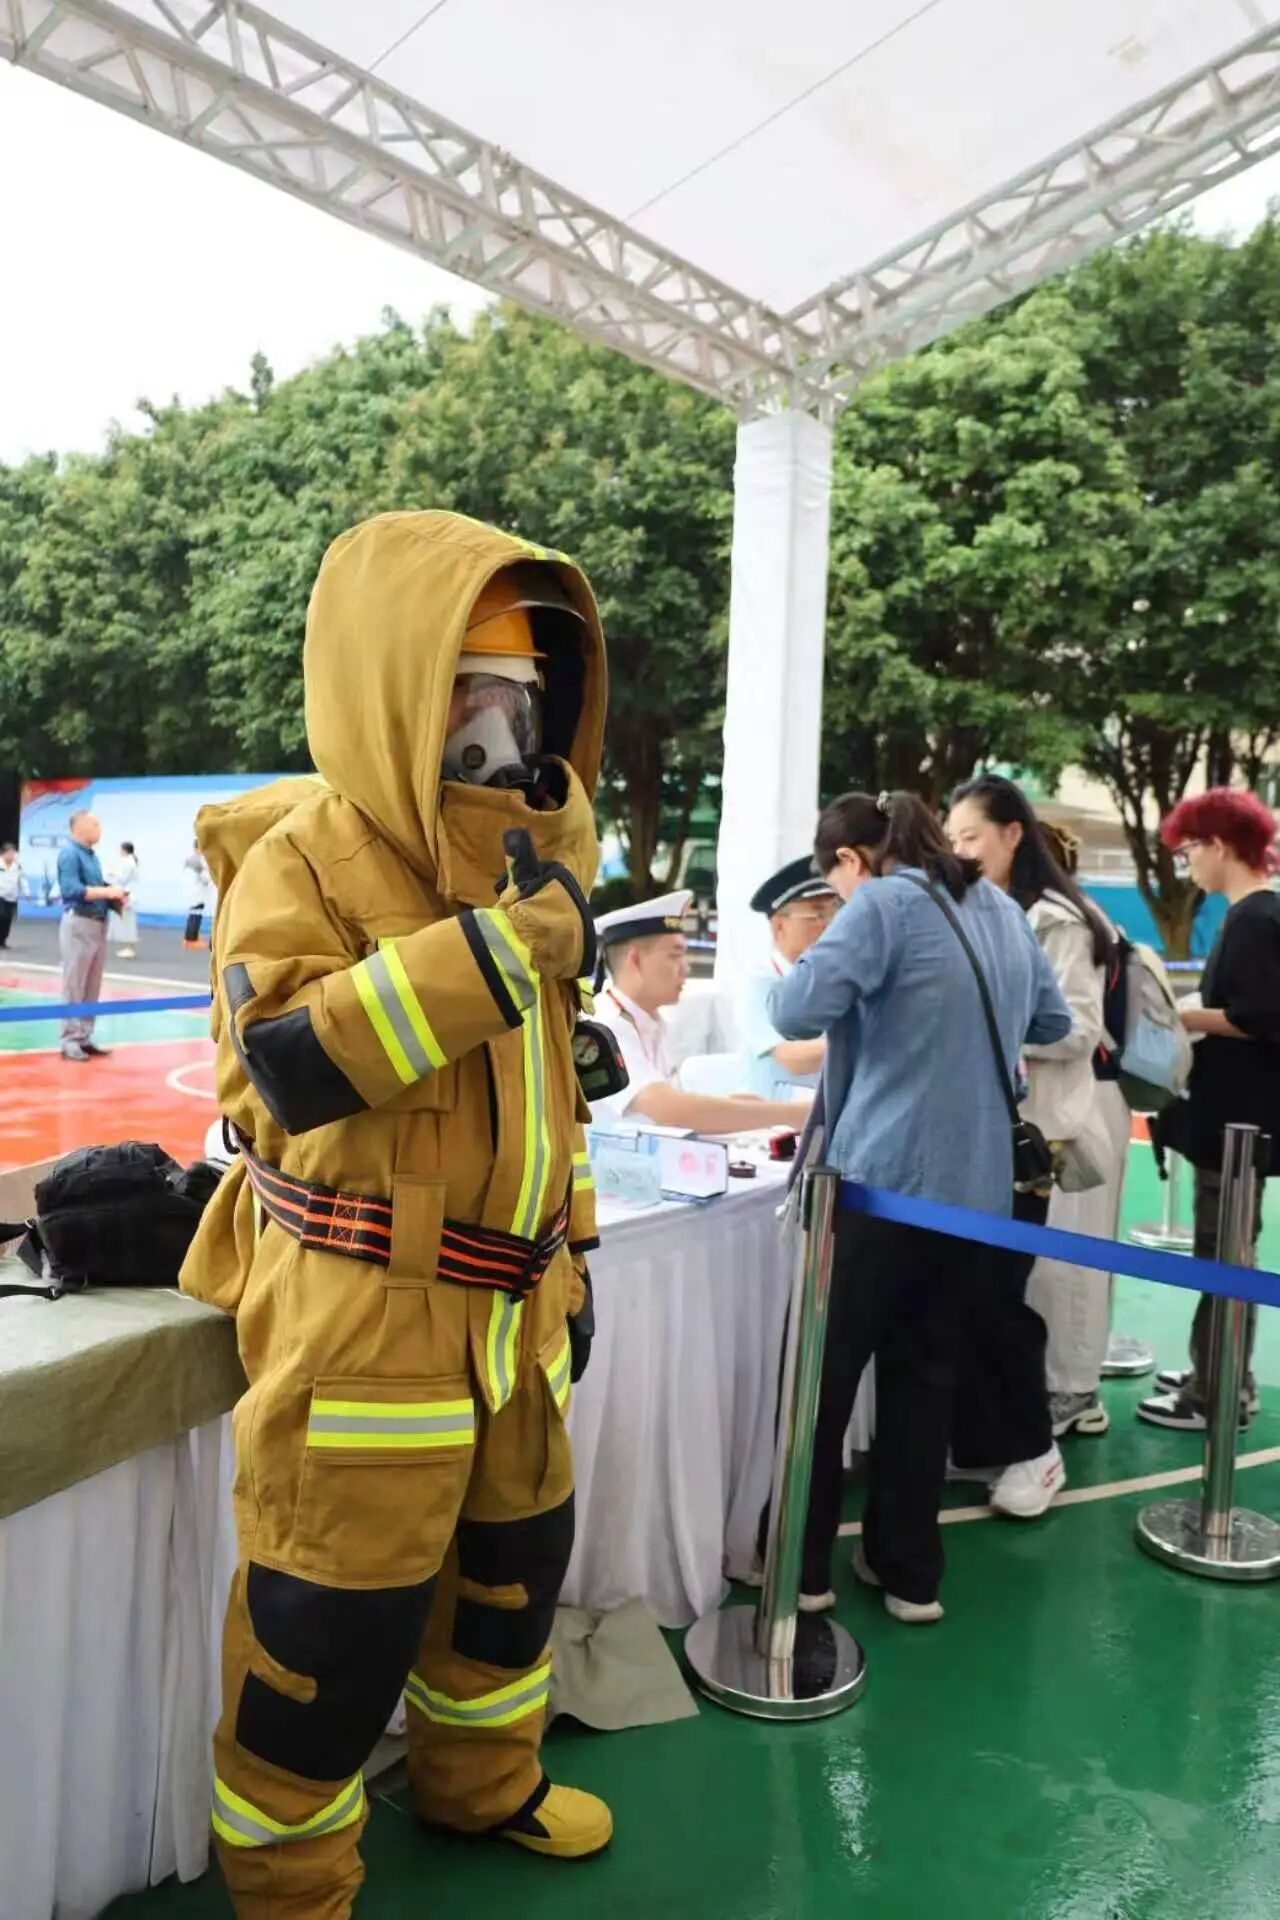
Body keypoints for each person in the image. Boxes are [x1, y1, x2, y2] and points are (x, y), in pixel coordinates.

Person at [180, 511, 615, 1919]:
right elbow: (285, 1068)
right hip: (366, 1318)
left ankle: (481, 1785)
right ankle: (292, 1886)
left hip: (514, 1314)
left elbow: (552, 1096)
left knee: (509, 1583)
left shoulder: (532, 858)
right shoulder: (298, 863)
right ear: (390, 684)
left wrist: (578, 1250)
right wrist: (495, 952)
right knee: (327, 1632)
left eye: (523, 694)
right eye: (470, 691)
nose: (503, 727)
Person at [768, 791, 1070, 1623]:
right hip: (974, 1196)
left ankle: (803, 1570)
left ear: (852, 861)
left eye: (833, 884)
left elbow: (792, 1009)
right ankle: (909, 1574)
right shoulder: (1001, 909)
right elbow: (1051, 1019)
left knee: (822, 1381)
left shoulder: (884, 906)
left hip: (881, 1180)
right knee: (925, 1379)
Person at [947, 775, 1127, 1507]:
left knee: (1001, 1294)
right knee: (972, 1290)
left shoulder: (1057, 921)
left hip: (1029, 1138)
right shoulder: (975, 911)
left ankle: (1034, 1450)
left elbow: (1077, 1031)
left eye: (971, 836)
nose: (960, 851)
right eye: (951, 839)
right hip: (971, 1133)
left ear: (1012, 833)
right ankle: (986, 1442)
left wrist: (980, 1031)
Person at [1138, 788, 1280, 1431]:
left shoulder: (1253, 920)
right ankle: (1222, 1373)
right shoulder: (1253, 915)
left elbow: (1261, 1016)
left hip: (1235, 1122)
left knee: (1224, 1256)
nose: (1187, 862)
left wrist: (1184, 1015)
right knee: (1227, 1251)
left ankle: (1217, 1391)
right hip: (1239, 1119)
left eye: (1189, 849)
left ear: (1219, 846)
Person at [590, 892, 812, 1133]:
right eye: (675, 955)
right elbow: (672, 1111)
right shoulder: (607, 1026)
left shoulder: (651, 1023)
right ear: (635, 960)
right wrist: (792, 1114)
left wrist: (737, 1107)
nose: (685, 967)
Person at [736, 856, 837, 1098]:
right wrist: (865, 1043)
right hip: (773, 1115)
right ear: (779, 926)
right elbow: (793, 1060)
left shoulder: (837, 980)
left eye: (832, 914)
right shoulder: (761, 983)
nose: (828, 926)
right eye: (816, 916)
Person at [55, 811, 127, 1063]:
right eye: (95, 824)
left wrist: (113, 895)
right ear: (80, 827)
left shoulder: (91, 856)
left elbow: (93, 886)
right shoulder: (69, 854)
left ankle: (84, 1036)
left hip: (97, 923)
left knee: (91, 985)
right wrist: (107, 892)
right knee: (74, 983)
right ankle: (70, 1039)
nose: (99, 828)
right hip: (79, 923)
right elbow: (70, 889)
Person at [108, 840, 140, 959]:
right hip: (125, 893)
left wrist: (113, 873)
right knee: (125, 921)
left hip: (126, 894)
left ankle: (129, 947)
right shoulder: (129, 861)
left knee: (126, 921)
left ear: (125, 850)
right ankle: (127, 946)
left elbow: (122, 878)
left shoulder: (128, 862)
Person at [183, 840, 211, 948]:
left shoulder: (189, 859)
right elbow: (205, 878)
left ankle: (190, 938)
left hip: (193, 892)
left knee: (193, 915)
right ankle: (191, 939)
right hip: (198, 892)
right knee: (196, 916)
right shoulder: (199, 861)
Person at [0, 843, 25, 949]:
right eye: (10, 853)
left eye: (13, 853)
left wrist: (26, 892)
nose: (12, 855)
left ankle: (3, 939)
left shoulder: (17, 866)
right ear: (3, 854)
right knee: (2, 915)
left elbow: (22, 879)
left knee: (7, 919)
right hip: (0, 895)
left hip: (11, 895)